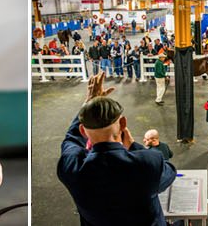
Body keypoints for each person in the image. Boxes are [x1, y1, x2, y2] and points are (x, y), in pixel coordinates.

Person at [57, 74, 176, 226]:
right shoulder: (148, 162)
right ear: (123, 124)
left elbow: (71, 139)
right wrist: (133, 145)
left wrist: (89, 103)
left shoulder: (71, 166)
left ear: (83, 130)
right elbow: (170, 172)